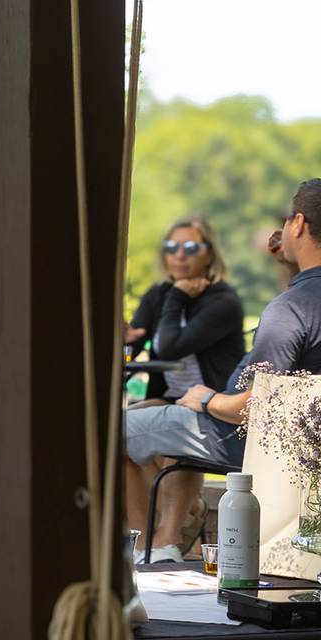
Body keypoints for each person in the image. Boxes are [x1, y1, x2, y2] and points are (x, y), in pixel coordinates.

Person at [125, 179, 321, 563]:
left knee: (111, 432)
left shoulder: (288, 309)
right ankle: (165, 541)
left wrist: (208, 398)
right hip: (304, 442)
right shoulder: (299, 299)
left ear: (297, 224)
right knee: (157, 420)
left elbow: (255, 409)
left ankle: (145, 545)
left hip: (238, 433)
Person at [125, 218, 245, 403]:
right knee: (115, 424)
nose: (179, 255)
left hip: (210, 407)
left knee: (125, 426)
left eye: (191, 248)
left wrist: (177, 297)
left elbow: (169, 349)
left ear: (209, 254)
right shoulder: (156, 295)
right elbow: (127, 357)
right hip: (169, 401)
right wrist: (125, 343)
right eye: (171, 247)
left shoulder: (223, 302)